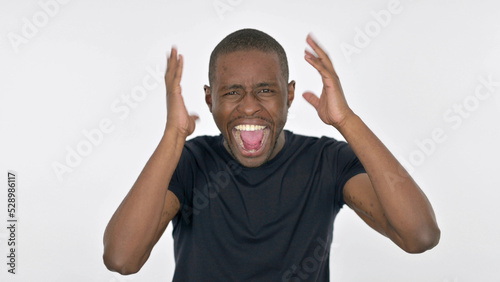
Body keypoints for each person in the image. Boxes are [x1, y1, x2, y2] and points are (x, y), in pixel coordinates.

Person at [103, 28, 440, 281]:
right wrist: (172, 136)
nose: (249, 106)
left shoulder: (327, 161)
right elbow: (121, 259)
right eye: (232, 92)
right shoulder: (188, 161)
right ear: (210, 100)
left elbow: (419, 235)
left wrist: (346, 121)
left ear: (289, 94)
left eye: (265, 90)